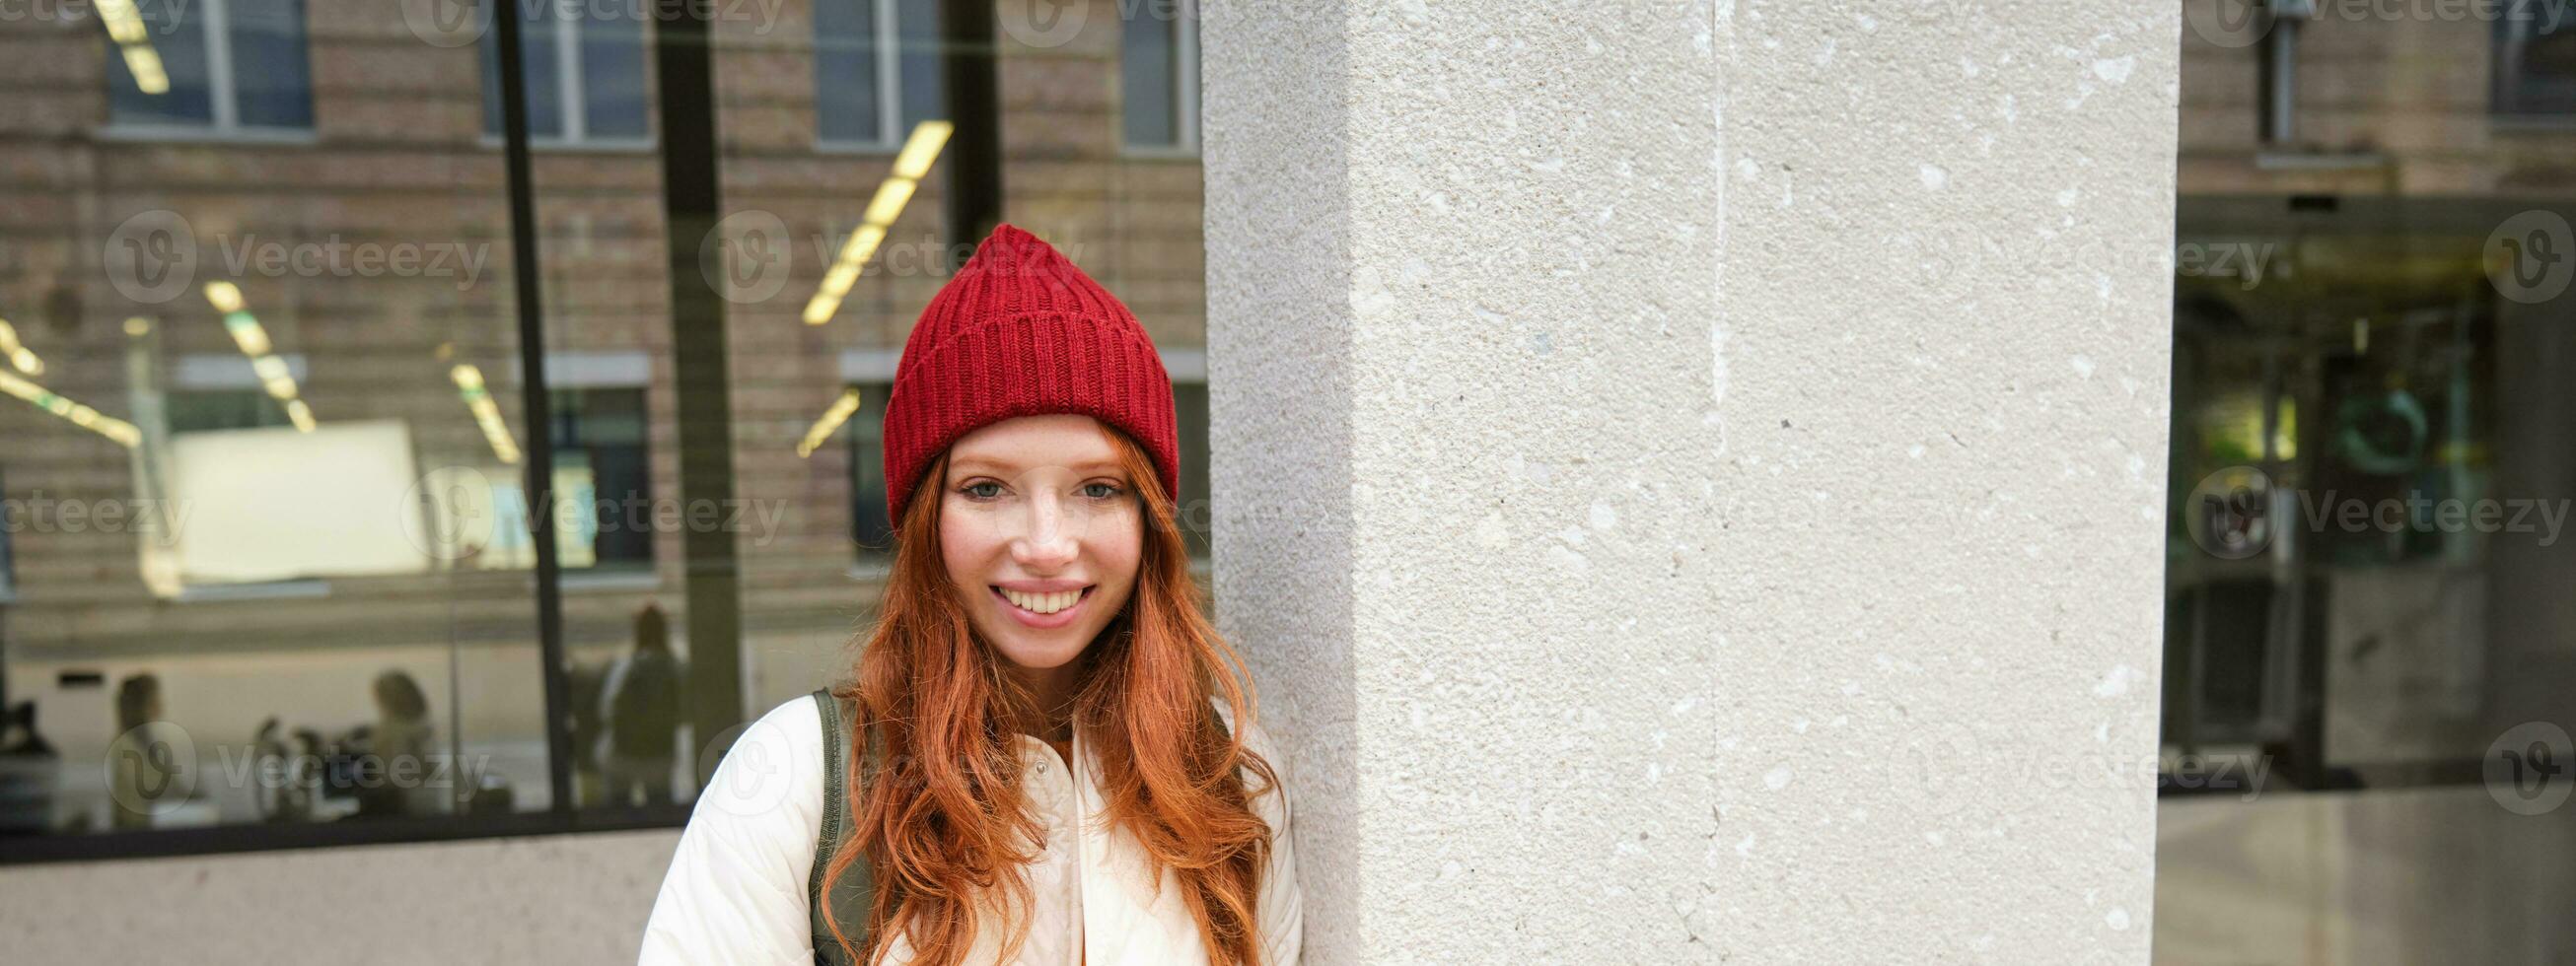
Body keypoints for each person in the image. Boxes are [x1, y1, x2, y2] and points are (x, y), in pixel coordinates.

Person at [640, 224, 1301, 965]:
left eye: (1099, 488)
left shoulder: (1226, 772)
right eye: (986, 488)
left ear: (1148, 517)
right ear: (926, 521)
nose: (1047, 545)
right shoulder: (795, 777)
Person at [599, 602, 684, 806]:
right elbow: (684, 711)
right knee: (660, 807)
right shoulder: (673, 667)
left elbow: (608, 708)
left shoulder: (627, 666)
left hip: (622, 752)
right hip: (660, 751)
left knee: (617, 809)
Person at [354, 669, 438, 818]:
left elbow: (404, 775)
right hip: (396, 802)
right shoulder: (393, 730)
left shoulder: (403, 732)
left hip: (406, 805)